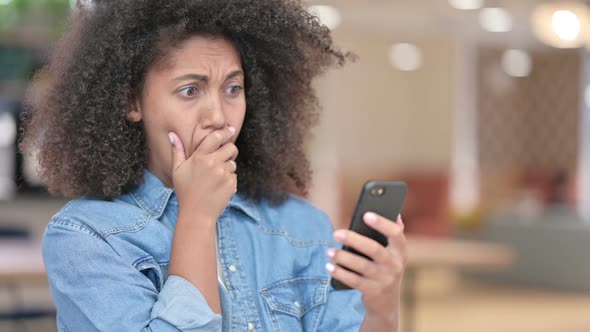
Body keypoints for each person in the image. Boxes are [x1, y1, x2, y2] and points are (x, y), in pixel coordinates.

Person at [20, 0, 408, 331]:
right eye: (190, 91)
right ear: (131, 102)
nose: (219, 116)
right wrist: (197, 218)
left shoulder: (302, 227)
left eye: (232, 89)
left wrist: (381, 307)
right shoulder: (86, 238)